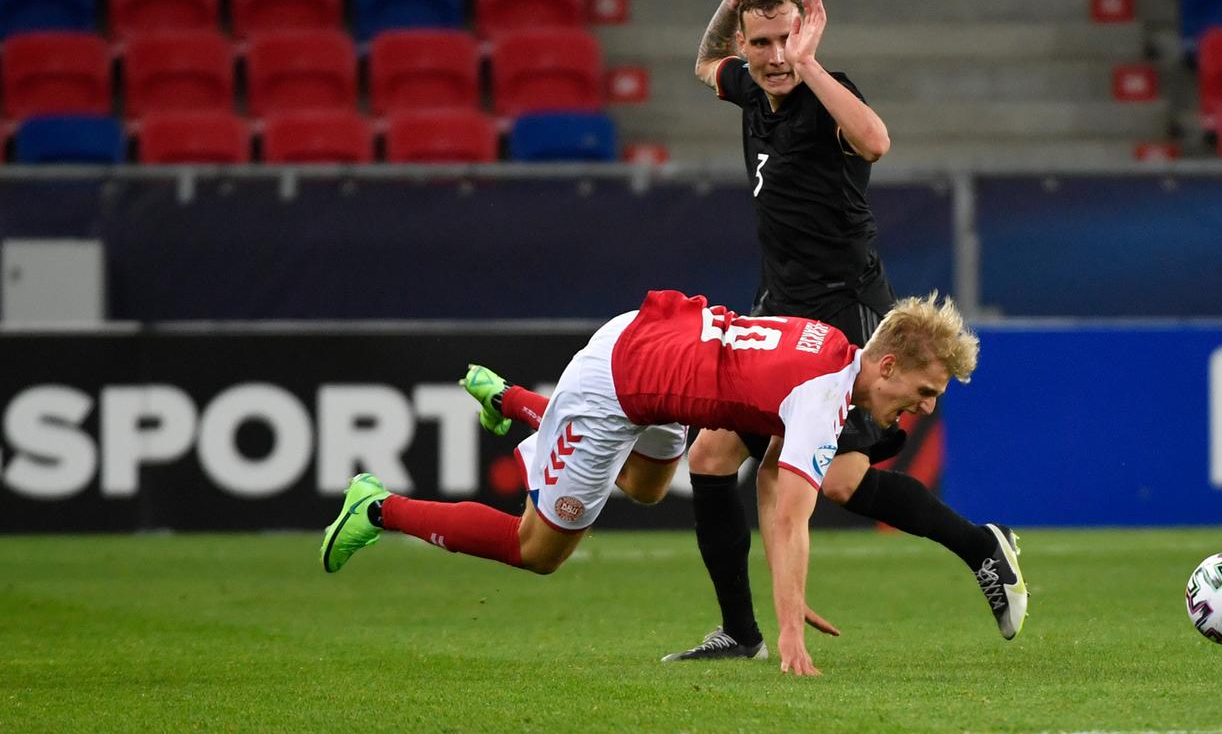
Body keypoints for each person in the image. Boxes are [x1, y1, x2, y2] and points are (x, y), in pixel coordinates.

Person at [320, 289, 1024, 677]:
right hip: (618, 385)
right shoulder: (820, 399)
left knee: (650, 487)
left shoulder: (827, 345)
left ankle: (512, 402)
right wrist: (788, 630)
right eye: (927, 389)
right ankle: (378, 506)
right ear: (891, 364)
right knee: (536, 550)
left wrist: (791, 592)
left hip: (654, 348)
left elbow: (780, 492)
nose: (925, 408)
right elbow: (787, 518)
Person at [666, 0, 1022, 662]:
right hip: (777, 311)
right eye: (760, 41)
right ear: (746, 40)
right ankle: (740, 632)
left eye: (784, 40)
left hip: (844, 310)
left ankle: (981, 547)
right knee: (709, 454)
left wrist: (810, 67)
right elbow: (705, 62)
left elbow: (875, 141)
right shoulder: (748, 83)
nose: (772, 57)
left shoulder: (825, 95)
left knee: (837, 480)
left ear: (802, 35)